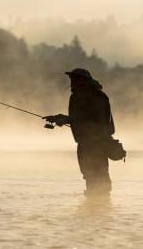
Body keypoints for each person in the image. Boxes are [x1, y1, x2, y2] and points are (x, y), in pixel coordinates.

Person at [44, 68, 115, 196]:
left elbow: (86, 119)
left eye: (75, 78)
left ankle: (96, 203)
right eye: (72, 78)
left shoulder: (83, 96)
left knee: (93, 174)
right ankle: (100, 205)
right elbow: (82, 119)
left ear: (84, 80)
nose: (72, 81)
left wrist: (62, 119)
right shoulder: (99, 95)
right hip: (94, 143)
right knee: (96, 175)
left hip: (92, 144)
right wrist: (61, 118)